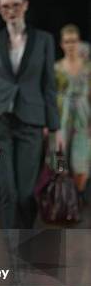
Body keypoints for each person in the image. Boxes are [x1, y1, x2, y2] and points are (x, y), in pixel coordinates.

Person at [0, 0, 64, 230]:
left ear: (26, 6)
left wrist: (55, 130)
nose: (10, 12)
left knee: (26, 192)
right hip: (1, 122)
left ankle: (25, 245)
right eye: (5, 7)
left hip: (32, 121)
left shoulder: (43, 40)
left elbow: (49, 86)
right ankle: (14, 257)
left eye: (15, 6)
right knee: (7, 191)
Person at [55, 24, 91, 204]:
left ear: (79, 42)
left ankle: (78, 196)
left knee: (81, 164)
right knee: (60, 161)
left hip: (83, 119)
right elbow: (52, 96)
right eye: (67, 42)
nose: (71, 45)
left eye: (74, 41)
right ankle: (64, 200)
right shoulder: (57, 68)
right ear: (62, 44)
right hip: (62, 120)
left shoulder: (87, 68)